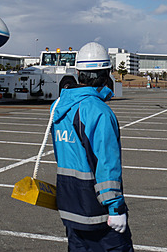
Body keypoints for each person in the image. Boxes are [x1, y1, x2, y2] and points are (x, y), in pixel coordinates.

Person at [50, 42, 134, 252]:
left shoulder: (58, 107)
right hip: (97, 210)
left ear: (78, 73)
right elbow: (106, 163)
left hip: (70, 205)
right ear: (107, 74)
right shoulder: (98, 111)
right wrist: (115, 207)